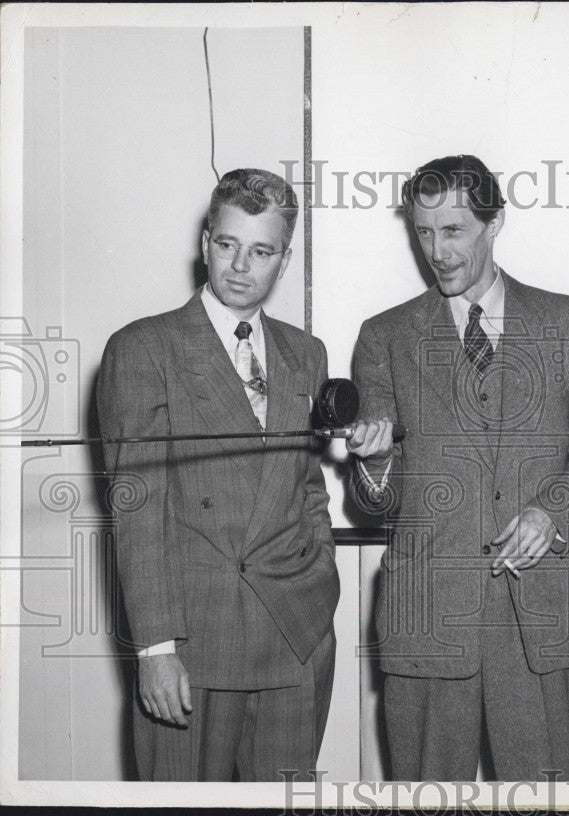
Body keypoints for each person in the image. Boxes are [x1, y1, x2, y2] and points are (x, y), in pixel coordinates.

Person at [347, 155, 569, 781]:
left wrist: (553, 514)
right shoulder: (384, 337)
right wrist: (377, 462)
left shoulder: (568, 321)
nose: (437, 251)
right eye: (423, 232)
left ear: (494, 222)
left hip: (536, 620)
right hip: (427, 624)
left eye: (454, 231)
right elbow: (375, 505)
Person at [97, 169, 339, 781]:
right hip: (191, 644)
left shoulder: (305, 353)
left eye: (261, 251)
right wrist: (154, 649)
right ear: (205, 241)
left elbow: (307, 488)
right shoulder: (143, 348)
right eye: (227, 245)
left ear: (284, 260)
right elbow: (137, 508)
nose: (239, 266)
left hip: (294, 633)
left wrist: (321, 584)